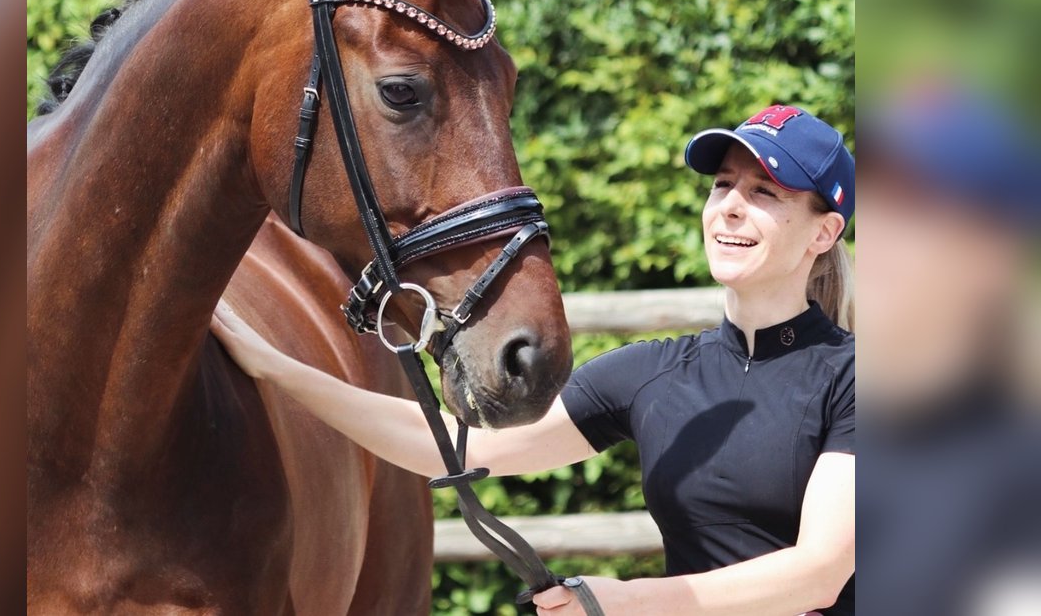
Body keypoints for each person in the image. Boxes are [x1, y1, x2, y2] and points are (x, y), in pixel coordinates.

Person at [211, 104, 856, 615]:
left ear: (824, 232)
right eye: (722, 186)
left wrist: (620, 602)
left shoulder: (860, 380)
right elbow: (452, 448)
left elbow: (819, 573)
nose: (730, 206)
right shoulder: (656, 373)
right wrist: (276, 369)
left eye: (765, 192)